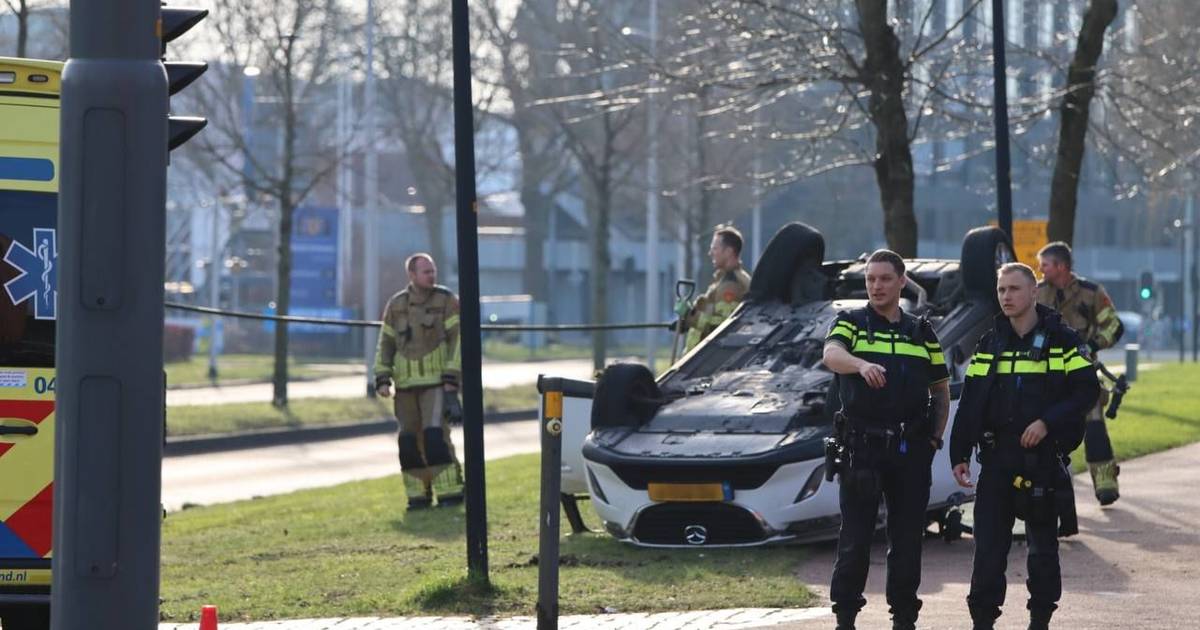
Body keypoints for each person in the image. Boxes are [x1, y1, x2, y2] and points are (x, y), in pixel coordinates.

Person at [951, 263, 1100, 630]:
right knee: (988, 550)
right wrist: (959, 452)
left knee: (1043, 551)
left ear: (1034, 292)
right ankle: (982, 620)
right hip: (998, 461)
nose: (1006, 296)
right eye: (1001, 290)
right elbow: (972, 401)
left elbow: (1087, 390)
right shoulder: (990, 343)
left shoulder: (1062, 340)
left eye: (1014, 289)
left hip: (1042, 462)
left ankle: (1040, 620)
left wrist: (1047, 422)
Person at [822, 249, 951, 630]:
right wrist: (860, 364)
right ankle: (845, 619)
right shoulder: (851, 323)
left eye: (884, 279)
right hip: (862, 448)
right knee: (855, 539)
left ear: (901, 281)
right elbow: (831, 354)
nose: (876, 286)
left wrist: (934, 440)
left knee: (908, 540)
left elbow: (940, 390)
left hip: (911, 450)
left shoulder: (921, 331)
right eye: (870, 279)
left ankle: (904, 619)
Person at [374, 253, 465, 510]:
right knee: (407, 442)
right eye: (426, 271)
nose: (431, 275)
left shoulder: (446, 300)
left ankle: (450, 493)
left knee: (435, 437)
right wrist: (382, 377)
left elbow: (458, 340)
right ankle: (417, 497)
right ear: (411, 275)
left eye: (433, 270)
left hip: (436, 384)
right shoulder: (396, 304)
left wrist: (452, 378)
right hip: (404, 387)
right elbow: (385, 343)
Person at [1037, 241, 1124, 505]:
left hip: (1083, 374)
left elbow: (1114, 326)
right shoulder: (1036, 293)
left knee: (1095, 427)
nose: (1041, 271)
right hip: (1045, 375)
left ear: (1061, 266)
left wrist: (1092, 346)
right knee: (1046, 431)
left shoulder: (1091, 293)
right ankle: (1046, 492)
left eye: (1045, 265)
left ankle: (1106, 483)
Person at [682, 225, 752, 352]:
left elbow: (722, 327)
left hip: (708, 358)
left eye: (714, 248)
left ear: (729, 251)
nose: (710, 253)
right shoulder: (725, 280)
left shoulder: (731, 285)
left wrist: (689, 315)